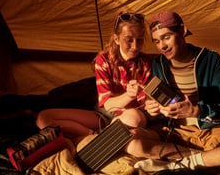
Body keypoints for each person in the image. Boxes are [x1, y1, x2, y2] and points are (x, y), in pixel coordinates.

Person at [123, 11, 220, 173]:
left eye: (166, 37)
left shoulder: (212, 60)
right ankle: (217, 159)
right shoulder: (158, 64)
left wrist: (196, 110)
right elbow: (161, 106)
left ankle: (178, 163)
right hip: (176, 134)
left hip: (213, 131)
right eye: (157, 41)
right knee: (130, 140)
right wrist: (154, 110)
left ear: (182, 31)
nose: (162, 46)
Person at [36, 11, 152, 155]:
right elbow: (108, 105)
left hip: (128, 117)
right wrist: (129, 95)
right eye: (129, 40)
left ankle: (88, 144)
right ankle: (94, 137)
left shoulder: (146, 64)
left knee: (135, 117)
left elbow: (144, 106)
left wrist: (152, 105)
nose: (135, 46)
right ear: (116, 39)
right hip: (103, 115)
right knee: (43, 118)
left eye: (139, 40)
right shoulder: (103, 60)